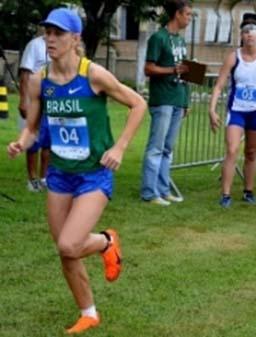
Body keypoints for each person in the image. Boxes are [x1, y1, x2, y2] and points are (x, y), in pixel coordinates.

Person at [7, 8, 146, 334]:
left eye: (57, 33)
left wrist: (120, 147)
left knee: (71, 244)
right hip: (60, 174)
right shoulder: (41, 81)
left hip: (93, 174)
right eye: (47, 32)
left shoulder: (93, 75)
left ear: (75, 38)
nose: (50, 39)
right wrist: (21, 141)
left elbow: (138, 104)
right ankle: (89, 313)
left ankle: (106, 241)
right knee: (66, 252)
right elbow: (32, 127)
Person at [209, 19, 256, 208]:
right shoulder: (234, 57)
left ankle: (248, 191)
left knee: (251, 152)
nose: (249, 34)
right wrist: (212, 110)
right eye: (246, 31)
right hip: (236, 111)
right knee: (232, 150)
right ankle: (225, 195)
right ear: (241, 36)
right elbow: (219, 86)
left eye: (253, 31)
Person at [141, 0, 192, 206]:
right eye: (188, 14)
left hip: (178, 99)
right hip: (162, 99)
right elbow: (148, 68)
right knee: (156, 147)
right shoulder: (158, 38)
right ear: (177, 15)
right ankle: (149, 192)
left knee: (168, 148)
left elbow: (185, 71)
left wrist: (186, 101)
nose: (189, 18)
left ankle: (163, 189)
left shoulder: (180, 41)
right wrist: (172, 70)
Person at [18, 31, 51, 191]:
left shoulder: (61, 47)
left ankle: (44, 178)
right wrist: (23, 100)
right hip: (34, 98)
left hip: (51, 100)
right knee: (33, 140)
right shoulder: (34, 45)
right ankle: (32, 179)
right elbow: (25, 74)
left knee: (48, 141)